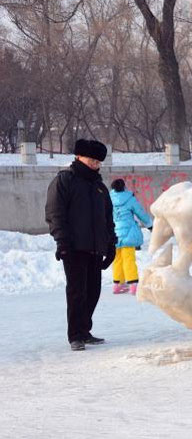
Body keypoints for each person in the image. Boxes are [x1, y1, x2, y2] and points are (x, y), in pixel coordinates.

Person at [45, 139, 117, 351]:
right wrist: (62, 242)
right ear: (79, 156)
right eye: (91, 160)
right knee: (77, 292)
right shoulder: (65, 180)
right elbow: (55, 213)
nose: (95, 164)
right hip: (74, 247)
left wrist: (110, 244)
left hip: (95, 248)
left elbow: (107, 218)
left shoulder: (99, 187)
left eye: (98, 161)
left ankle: (85, 331)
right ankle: (75, 335)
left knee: (93, 291)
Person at [109, 179, 153, 295]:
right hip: (128, 233)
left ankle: (118, 284)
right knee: (129, 259)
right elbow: (141, 213)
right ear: (124, 187)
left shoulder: (108, 199)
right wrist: (150, 225)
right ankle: (133, 284)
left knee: (117, 259)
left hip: (114, 233)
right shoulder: (130, 199)